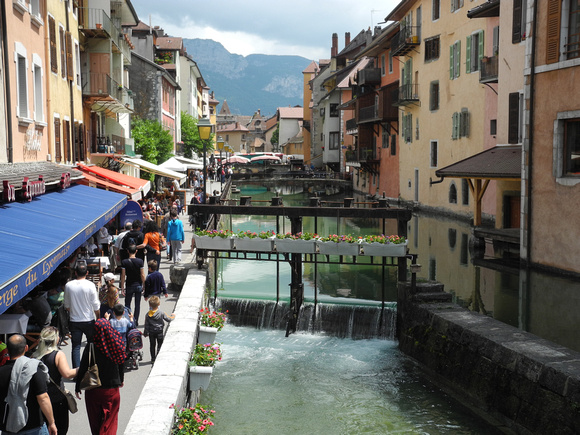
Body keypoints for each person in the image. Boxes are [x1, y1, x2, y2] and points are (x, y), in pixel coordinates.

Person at [75, 319, 126, 435]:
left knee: (95, 423)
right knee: (110, 421)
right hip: (111, 390)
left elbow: (83, 367)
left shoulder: (91, 346)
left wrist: (78, 387)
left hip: (93, 390)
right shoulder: (116, 344)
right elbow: (121, 363)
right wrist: (121, 379)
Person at [0, 334, 57, 435]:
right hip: (34, 427)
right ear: (26, 348)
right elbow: (43, 398)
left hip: (8, 427)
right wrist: (52, 422)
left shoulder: (1, 372)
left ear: (7, 350)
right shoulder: (33, 369)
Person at [33, 327, 78, 435]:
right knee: (61, 429)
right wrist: (80, 369)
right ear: (55, 339)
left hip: (40, 400)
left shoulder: (34, 356)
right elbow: (67, 373)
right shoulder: (58, 355)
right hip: (57, 399)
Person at [64, 263, 100, 368]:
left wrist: (74, 310)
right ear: (87, 273)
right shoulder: (90, 285)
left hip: (74, 321)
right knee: (92, 344)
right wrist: (98, 318)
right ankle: (93, 367)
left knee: (76, 347)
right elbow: (96, 306)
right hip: (89, 320)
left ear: (75, 273)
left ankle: (77, 371)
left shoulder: (68, 285)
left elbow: (67, 305)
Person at [143, 296, 174, 363]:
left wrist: (145, 332)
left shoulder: (148, 314)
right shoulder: (161, 313)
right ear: (159, 304)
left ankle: (153, 359)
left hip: (151, 332)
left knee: (152, 345)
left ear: (150, 305)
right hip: (159, 331)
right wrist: (173, 316)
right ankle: (158, 357)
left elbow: (146, 325)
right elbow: (168, 319)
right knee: (160, 344)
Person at [120, 245, 145, 326]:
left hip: (129, 284)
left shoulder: (124, 262)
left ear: (128, 251)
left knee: (127, 304)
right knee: (137, 304)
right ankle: (136, 320)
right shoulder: (140, 261)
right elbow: (142, 274)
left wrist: (122, 287)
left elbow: (123, 275)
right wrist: (144, 284)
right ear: (136, 251)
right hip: (138, 284)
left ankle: (129, 320)